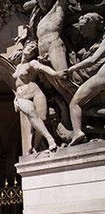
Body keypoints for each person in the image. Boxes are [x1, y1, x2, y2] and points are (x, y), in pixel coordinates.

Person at [12, 40, 61, 152]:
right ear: (24, 47)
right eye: (30, 46)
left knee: (42, 118)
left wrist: (55, 74)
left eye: (34, 49)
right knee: (32, 114)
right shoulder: (18, 66)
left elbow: (43, 68)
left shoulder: (32, 63)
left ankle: (35, 147)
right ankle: (50, 140)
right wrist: (15, 98)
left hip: (36, 91)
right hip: (21, 97)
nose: (31, 49)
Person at [64, 12, 105, 145]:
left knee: (75, 103)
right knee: (89, 109)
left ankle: (78, 132)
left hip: (102, 76)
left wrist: (72, 69)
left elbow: (93, 60)